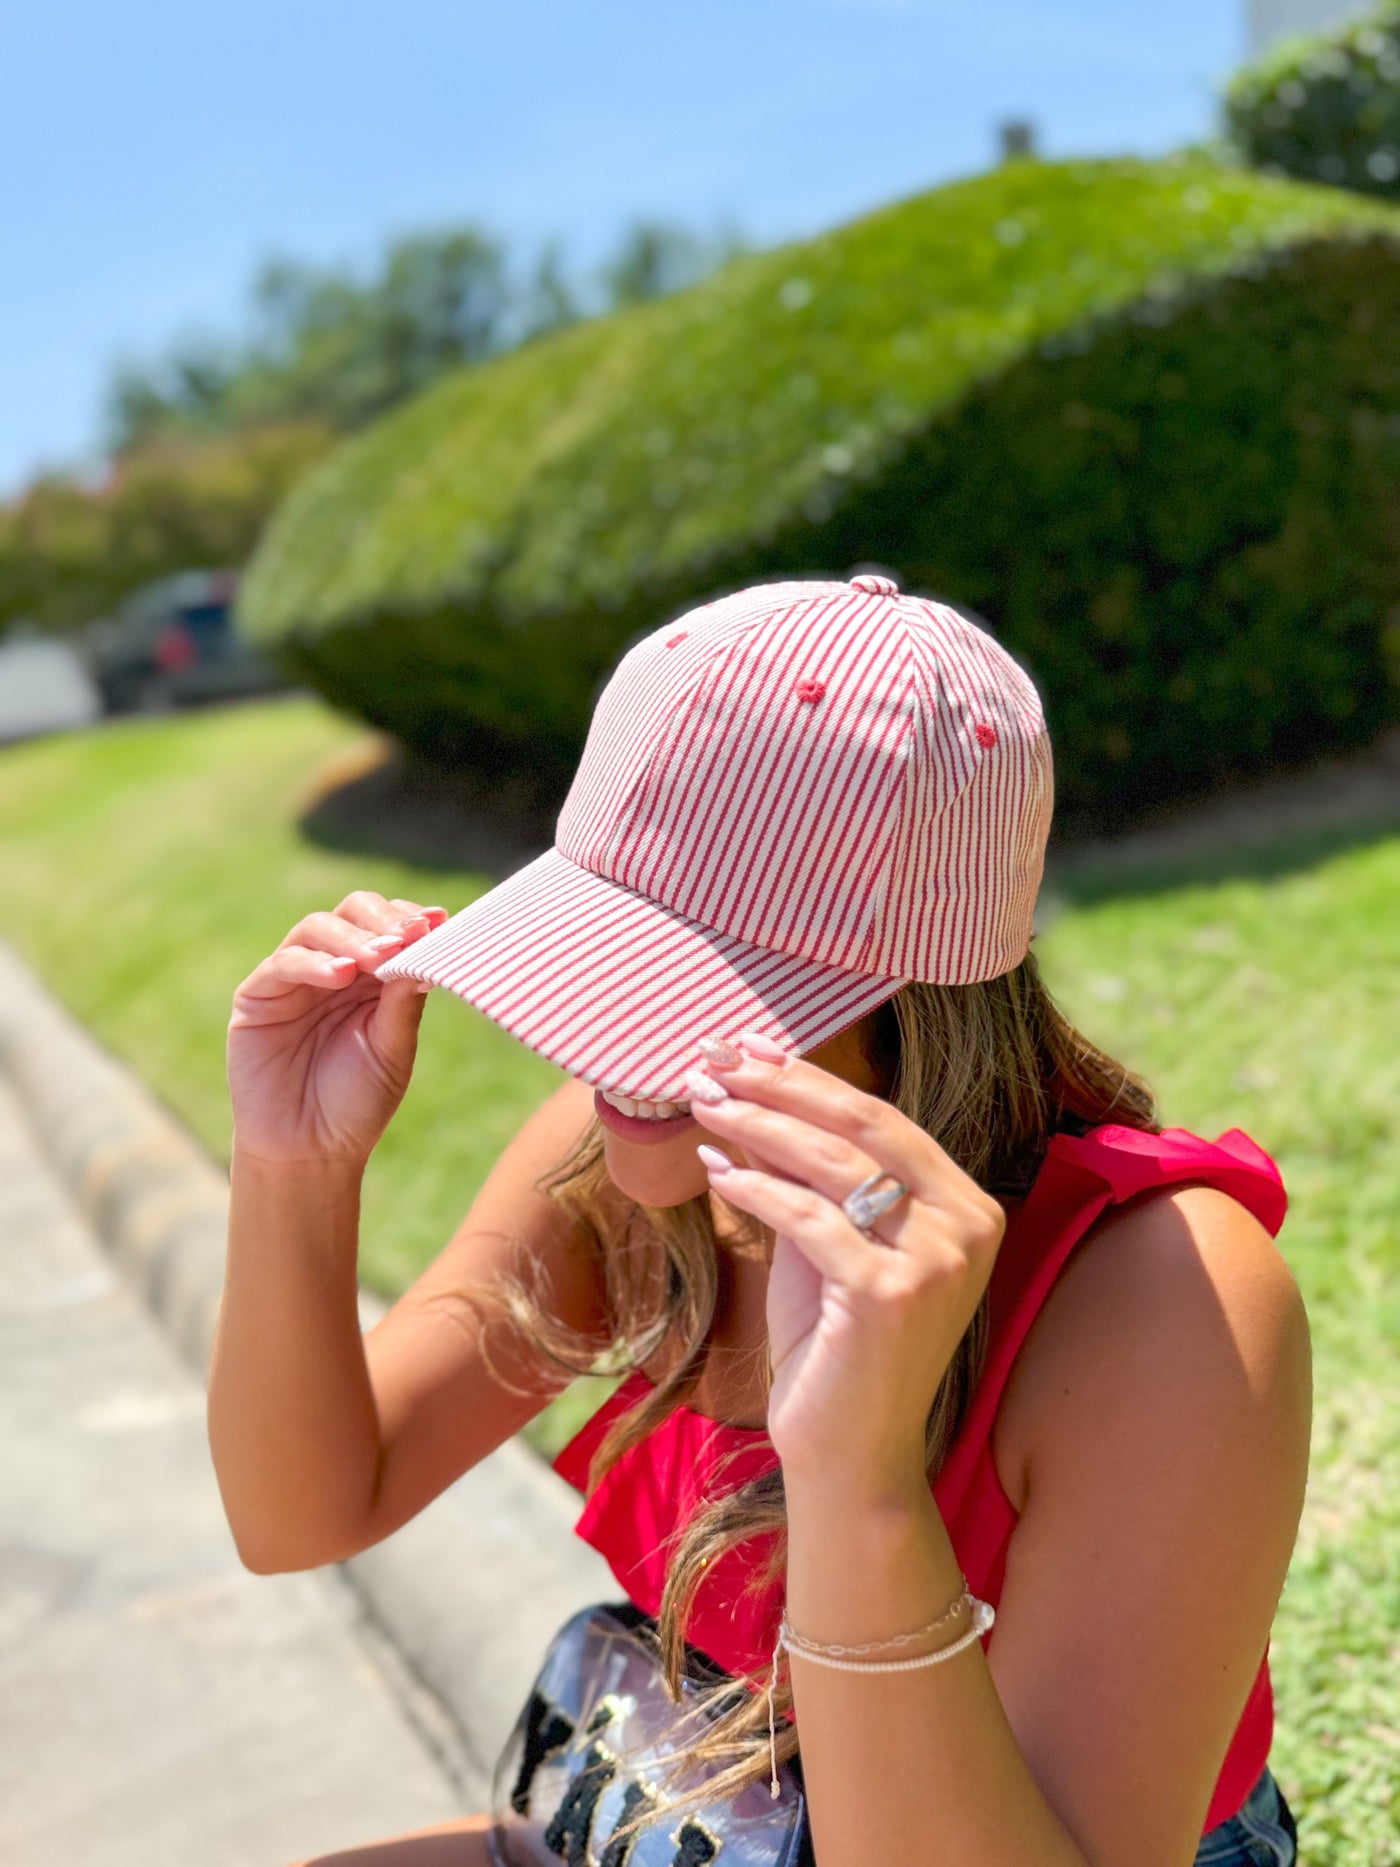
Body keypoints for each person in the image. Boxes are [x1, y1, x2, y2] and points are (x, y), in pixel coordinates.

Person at [211, 574, 1311, 1867]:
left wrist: (858, 1473)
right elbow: (304, 1513)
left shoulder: (1161, 1299)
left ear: (923, 990)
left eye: (674, 982)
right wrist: (293, 1165)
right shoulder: (625, 1157)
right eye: (592, 947)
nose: (601, 1039)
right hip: (716, 1808)